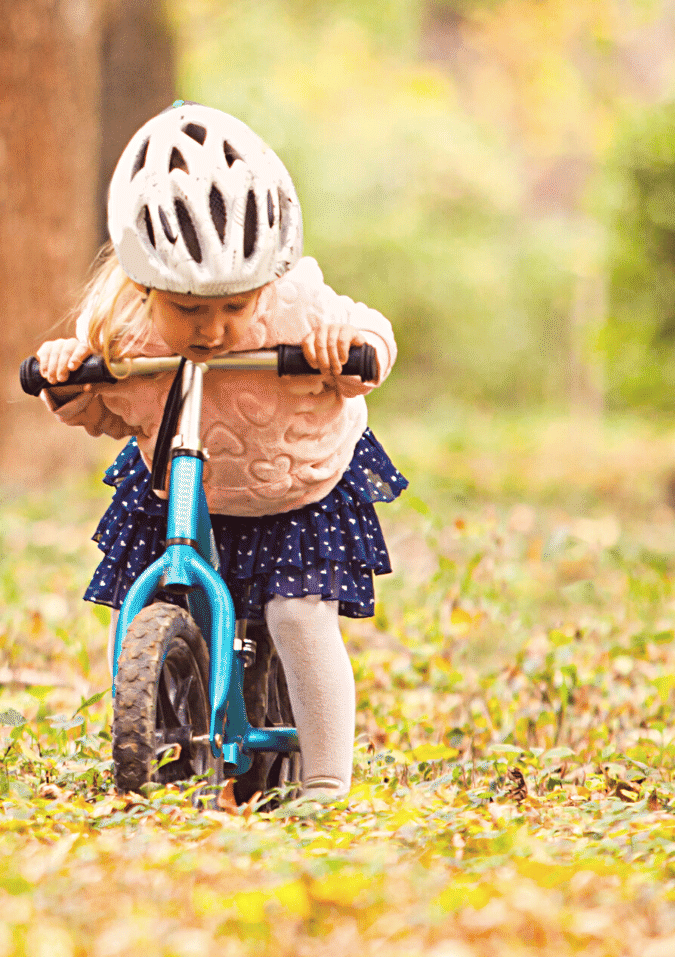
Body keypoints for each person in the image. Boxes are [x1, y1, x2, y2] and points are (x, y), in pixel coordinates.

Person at [34, 102, 406, 803]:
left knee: (299, 616)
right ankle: (166, 739)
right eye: (189, 311)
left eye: (235, 309)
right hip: (183, 490)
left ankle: (326, 783)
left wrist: (347, 353)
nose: (214, 328)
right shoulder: (119, 327)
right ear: (144, 286)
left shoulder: (297, 303)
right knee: (136, 606)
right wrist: (68, 375)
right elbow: (103, 413)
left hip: (296, 492)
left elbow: (370, 337)